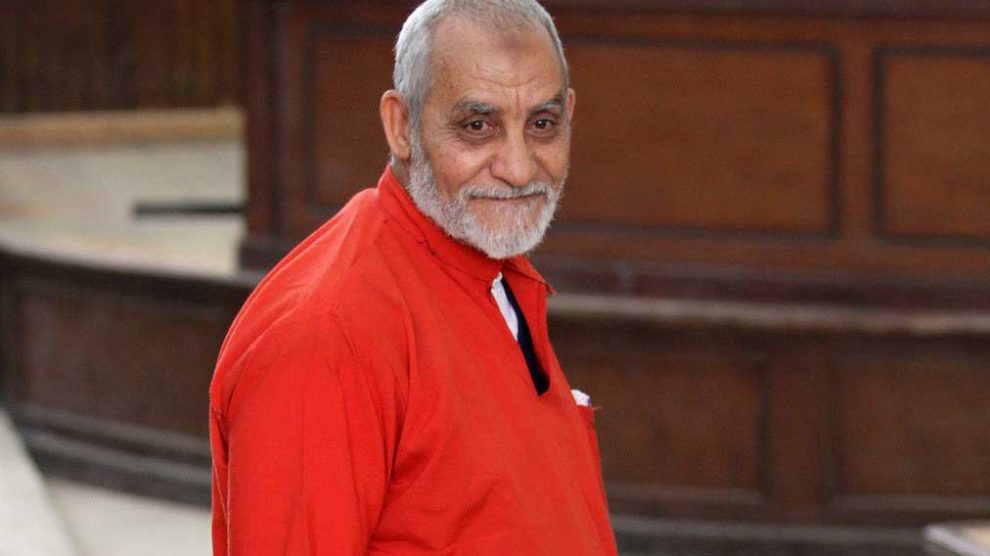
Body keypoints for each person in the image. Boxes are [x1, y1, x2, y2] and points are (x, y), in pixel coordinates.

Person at [209, 0, 617, 554]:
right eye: (478, 127)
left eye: (541, 125)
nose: (520, 169)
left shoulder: (490, 265)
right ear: (401, 126)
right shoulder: (327, 335)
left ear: (569, 114)